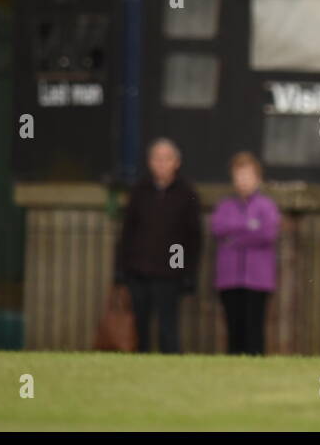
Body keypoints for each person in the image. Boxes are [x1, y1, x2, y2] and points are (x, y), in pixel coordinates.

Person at [115, 138, 202, 353]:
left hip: (169, 273)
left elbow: (191, 237)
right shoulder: (139, 191)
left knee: (167, 327)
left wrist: (183, 271)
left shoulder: (186, 193)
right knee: (139, 326)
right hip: (138, 270)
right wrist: (121, 268)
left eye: (166, 159)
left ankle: (170, 368)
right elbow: (127, 232)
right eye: (157, 159)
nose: (161, 164)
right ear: (149, 162)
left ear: (177, 162)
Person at [211, 152, 281, 355]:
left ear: (257, 178)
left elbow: (267, 234)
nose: (243, 180)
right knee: (234, 329)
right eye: (239, 175)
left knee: (254, 330)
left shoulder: (266, 206)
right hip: (229, 278)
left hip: (258, 280)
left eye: (247, 175)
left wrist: (234, 238)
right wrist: (248, 227)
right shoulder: (225, 206)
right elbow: (218, 229)